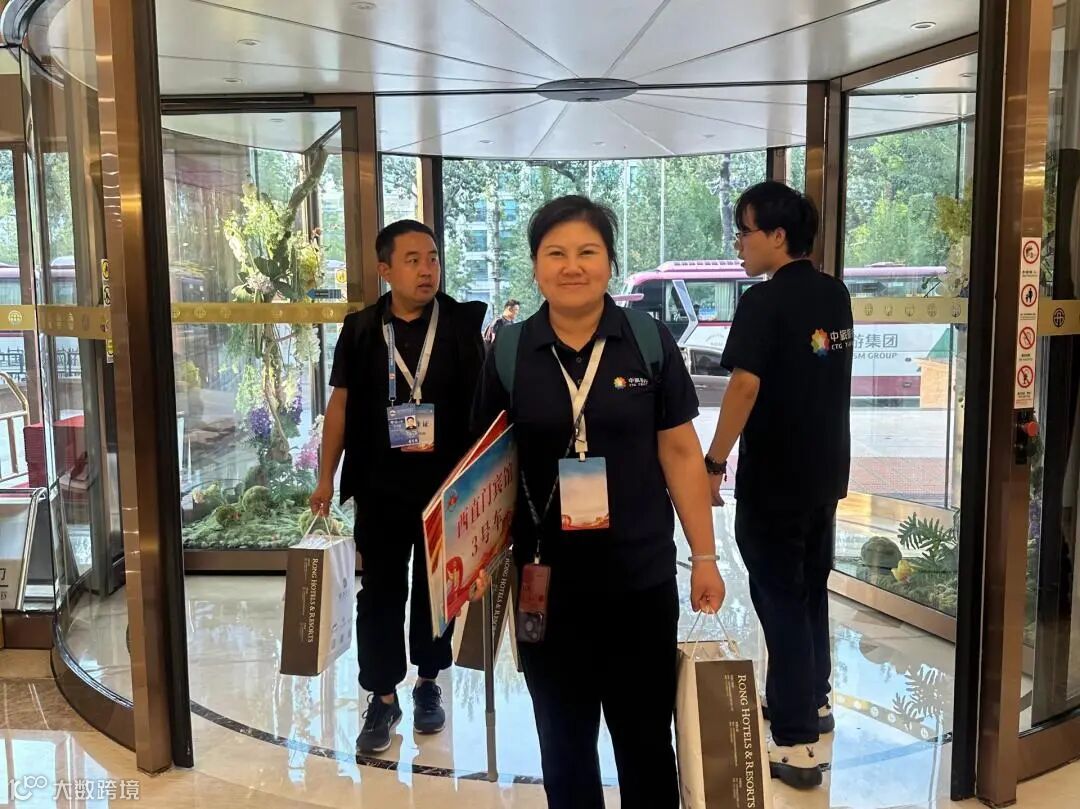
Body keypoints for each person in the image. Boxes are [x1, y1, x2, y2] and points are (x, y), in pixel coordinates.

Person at [472, 195, 725, 809]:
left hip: (639, 580)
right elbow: (487, 470)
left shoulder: (647, 340)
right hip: (544, 584)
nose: (572, 266)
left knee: (645, 742)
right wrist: (474, 561)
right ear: (536, 266)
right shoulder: (510, 351)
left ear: (610, 262)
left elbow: (681, 454)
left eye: (587, 252)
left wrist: (705, 557)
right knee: (563, 744)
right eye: (555, 253)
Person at [310, 219, 486, 755]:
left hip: (445, 489)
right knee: (381, 592)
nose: (427, 269)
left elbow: (482, 407)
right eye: (412, 260)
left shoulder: (460, 324)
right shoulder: (361, 329)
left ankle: (428, 682)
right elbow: (340, 406)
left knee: (437, 592)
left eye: (432, 258)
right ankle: (382, 696)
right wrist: (325, 477)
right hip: (381, 487)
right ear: (384, 269)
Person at [704, 181, 853, 790]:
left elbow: (744, 387)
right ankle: (813, 699)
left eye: (744, 232)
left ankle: (796, 742)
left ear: (778, 236)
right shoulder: (834, 293)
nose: (739, 244)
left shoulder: (762, 302)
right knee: (809, 589)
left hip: (775, 480)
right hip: (824, 475)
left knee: (780, 600)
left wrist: (714, 462)